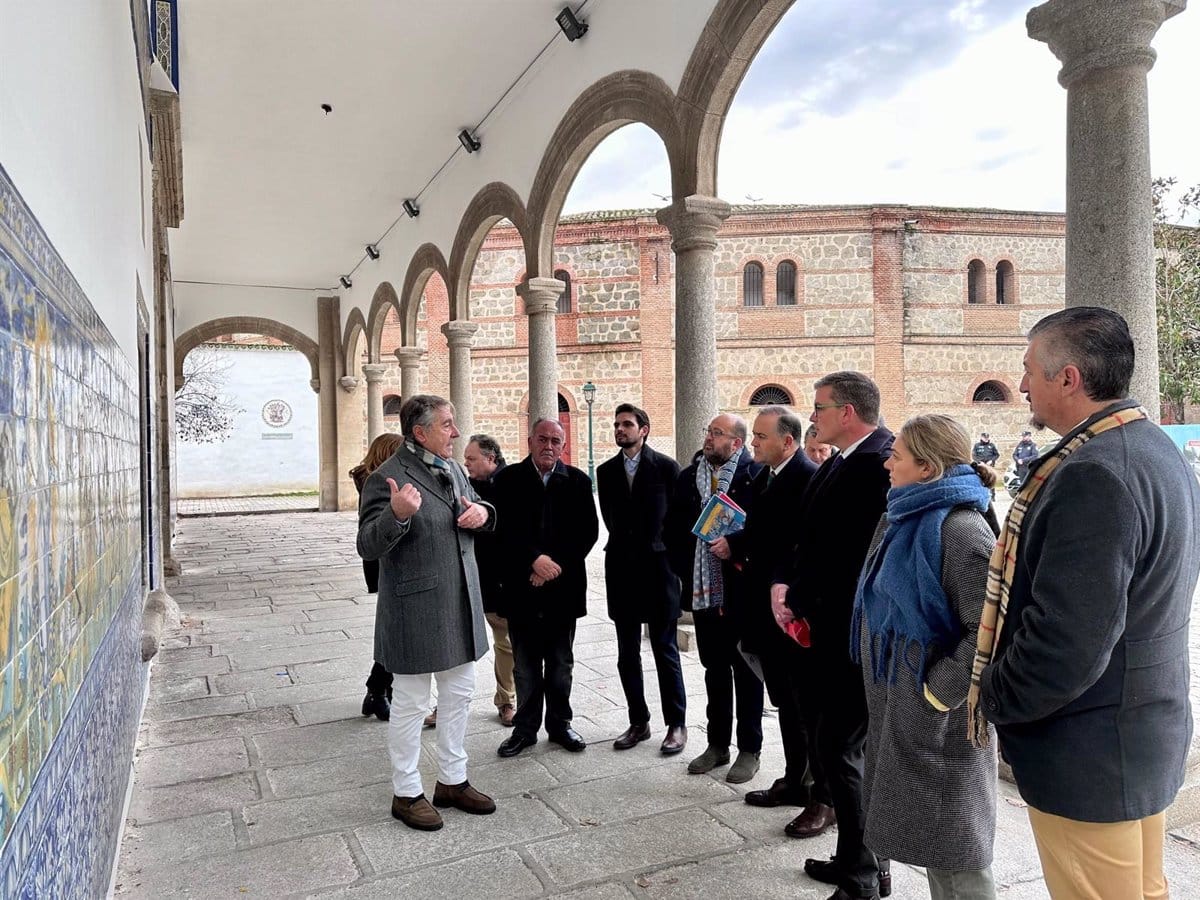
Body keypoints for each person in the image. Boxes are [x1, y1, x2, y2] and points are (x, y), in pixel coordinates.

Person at [972, 307, 1200, 900]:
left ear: (1068, 378)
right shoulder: (1153, 447)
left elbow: (1066, 642)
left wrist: (995, 695)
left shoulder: (1094, 473)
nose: (1021, 386)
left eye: (1029, 371)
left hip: (1091, 750)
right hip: (1136, 733)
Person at [854, 414, 1000, 900]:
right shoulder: (903, 515)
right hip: (904, 714)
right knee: (941, 855)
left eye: (895, 454)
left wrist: (937, 693)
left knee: (959, 861)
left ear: (927, 466)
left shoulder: (961, 530)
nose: (886, 462)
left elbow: (990, 633)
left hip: (943, 727)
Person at [772, 371, 893, 900]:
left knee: (841, 752)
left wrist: (804, 597)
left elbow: (851, 556)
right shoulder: (845, 458)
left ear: (848, 412)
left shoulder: (878, 463)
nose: (812, 415)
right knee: (834, 748)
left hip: (848, 636)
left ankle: (864, 875)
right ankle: (855, 857)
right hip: (823, 631)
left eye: (819, 407)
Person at [356, 394, 497, 831]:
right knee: (412, 704)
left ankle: (453, 781)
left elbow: (481, 508)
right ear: (420, 432)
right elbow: (367, 545)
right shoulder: (387, 477)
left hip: (459, 603)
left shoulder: (454, 468)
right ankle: (406, 792)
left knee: (459, 696)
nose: (456, 433)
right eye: (447, 425)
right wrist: (396, 517)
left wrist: (482, 514)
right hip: (414, 610)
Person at [725, 407, 829, 839]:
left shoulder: (806, 477)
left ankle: (819, 792)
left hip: (790, 611)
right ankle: (793, 777)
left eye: (761, 438)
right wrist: (732, 545)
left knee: (808, 707)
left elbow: (802, 545)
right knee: (786, 700)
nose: (754, 445)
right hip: (762, 607)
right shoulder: (761, 476)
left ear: (788, 441)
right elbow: (755, 530)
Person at [666, 413, 765, 784]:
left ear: (736, 444)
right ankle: (717, 744)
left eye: (718, 433)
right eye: (709, 431)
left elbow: (764, 530)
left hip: (741, 591)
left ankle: (749, 749)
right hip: (703, 591)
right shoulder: (688, 478)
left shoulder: (753, 476)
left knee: (746, 672)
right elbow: (672, 529)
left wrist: (734, 548)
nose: (709, 438)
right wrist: (686, 567)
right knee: (715, 670)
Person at [493, 418, 599, 758]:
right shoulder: (507, 480)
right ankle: (524, 730)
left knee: (560, 664)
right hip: (521, 588)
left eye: (556, 440)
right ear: (529, 441)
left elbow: (586, 533)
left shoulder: (578, 482)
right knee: (524, 666)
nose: (549, 445)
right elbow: (503, 531)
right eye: (543, 439)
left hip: (562, 590)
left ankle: (560, 725)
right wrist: (533, 561)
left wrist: (551, 568)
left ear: (563, 445)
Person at [596, 403, 687, 755]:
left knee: (665, 651)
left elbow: (678, 521)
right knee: (626, 653)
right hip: (621, 570)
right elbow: (612, 520)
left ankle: (676, 725)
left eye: (627, 424)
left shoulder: (666, 468)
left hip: (659, 570)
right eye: (617, 424)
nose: (620, 429)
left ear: (644, 429)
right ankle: (639, 721)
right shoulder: (605, 472)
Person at [350, 432, 404, 721]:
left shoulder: (368, 477)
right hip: (385, 561)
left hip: (381, 562)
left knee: (393, 629)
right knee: (394, 631)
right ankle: (378, 690)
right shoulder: (376, 482)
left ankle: (382, 692)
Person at [463, 433, 516, 727]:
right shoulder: (467, 483)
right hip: (470, 575)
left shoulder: (512, 483)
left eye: (471, 459)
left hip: (500, 578)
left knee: (505, 642)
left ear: (490, 459)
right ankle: (448, 704)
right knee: (455, 644)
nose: (466, 463)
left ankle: (507, 700)